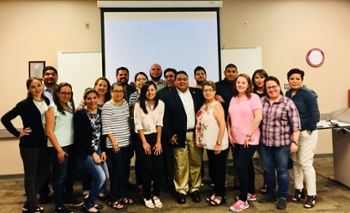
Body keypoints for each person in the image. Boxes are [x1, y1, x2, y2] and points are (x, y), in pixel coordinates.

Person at [1, 77, 50, 213]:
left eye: (39, 85)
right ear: (28, 89)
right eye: (33, 87)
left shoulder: (46, 101)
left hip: (44, 142)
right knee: (30, 175)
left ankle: (28, 202)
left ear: (42, 86)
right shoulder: (25, 104)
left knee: (45, 172)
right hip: (29, 145)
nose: (37, 89)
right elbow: (5, 118)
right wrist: (17, 133)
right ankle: (33, 207)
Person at [258, 76, 301, 210]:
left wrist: (294, 142)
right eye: (268, 87)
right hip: (265, 143)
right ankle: (271, 193)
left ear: (279, 86)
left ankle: (282, 196)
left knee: (282, 171)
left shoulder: (288, 103)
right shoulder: (262, 101)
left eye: (274, 86)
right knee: (268, 170)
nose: (271, 89)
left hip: (282, 144)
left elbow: (296, 125)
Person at [162, 71, 205, 204]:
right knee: (180, 164)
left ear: (188, 80)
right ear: (174, 81)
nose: (182, 81)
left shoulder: (197, 93)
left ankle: (195, 188)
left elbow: (210, 100)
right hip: (177, 136)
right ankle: (181, 190)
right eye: (179, 79)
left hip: (195, 134)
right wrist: (169, 135)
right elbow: (164, 118)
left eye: (184, 79)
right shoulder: (167, 96)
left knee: (196, 162)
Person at [227, 74, 262, 212]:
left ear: (248, 84)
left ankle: (243, 200)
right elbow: (230, 117)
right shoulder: (234, 98)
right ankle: (251, 192)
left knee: (241, 166)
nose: (240, 84)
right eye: (238, 82)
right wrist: (229, 132)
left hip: (250, 139)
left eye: (243, 82)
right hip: (236, 139)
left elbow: (258, 118)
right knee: (247, 165)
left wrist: (249, 134)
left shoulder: (254, 98)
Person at [286, 68, 320, 208]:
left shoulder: (308, 94)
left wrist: (308, 130)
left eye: (297, 79)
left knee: (306, 164)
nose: (294, 81)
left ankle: (312, 195)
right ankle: (299, 190)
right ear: (288, 80)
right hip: (293, 134)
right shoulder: (288, 93)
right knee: (296, 163)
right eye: (292, 79)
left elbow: (315, 115)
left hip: (306, 133)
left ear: (302, 80)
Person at [74, 88, 109, 213]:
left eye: (95, 98)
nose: (92, 101)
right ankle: (88, 204)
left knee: (106, 177)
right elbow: (81, 137)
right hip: (84, 152)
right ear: (85, 100)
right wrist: (93, 153)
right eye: (89, 98)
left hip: (98, 149)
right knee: (100, 177)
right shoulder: (80, 114)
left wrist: (103, 151)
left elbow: (103, 134)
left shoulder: (100, 112)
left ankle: (90, 201)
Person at [195, 81, 229, 206]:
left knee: (219, 171)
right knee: (214, 170)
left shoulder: (217, 105)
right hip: (208, 144)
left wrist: (218, 143)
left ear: (215, 92)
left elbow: (222, 125)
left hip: (217, 143)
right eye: (205, 90)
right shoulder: (204, 104)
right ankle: (216, 192)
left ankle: (221, 195)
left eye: (210, 90)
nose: (207, 92)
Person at [45, 82, 76, 213]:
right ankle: (58, 205)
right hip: (58, 147)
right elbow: (49, 132)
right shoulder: (52, 108)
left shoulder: (69, 105)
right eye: (63, 93)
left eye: (68, 93)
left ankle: (68, 197)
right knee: (60, 177)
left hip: (70, 145)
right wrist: (59, 150)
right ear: (57, 94)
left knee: (70, 174)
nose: (66, 95)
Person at [102, 82, 134, 210]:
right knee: (118, 171)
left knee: (125, 171)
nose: (118, 93)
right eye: (116, 91)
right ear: (111, 92)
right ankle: (113, 198)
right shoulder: (107, 106)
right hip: (115, 145)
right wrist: (114, 142)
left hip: (127, 143)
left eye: (121, 91)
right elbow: (106, 127)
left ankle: (122, 195)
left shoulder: (125, 104)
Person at [134, 81, 165, 208]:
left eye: (152, 90)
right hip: (142, 138)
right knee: (147, 168)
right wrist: (144, 142)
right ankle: (146, 196)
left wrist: (158, 142)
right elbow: (138, 124)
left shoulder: (161, 104)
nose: (150, 92)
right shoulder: (138, 105)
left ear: (156, 90)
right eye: (147, 90)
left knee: (159, 168)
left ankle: (156, 194)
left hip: (156, 137)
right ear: (143, 92)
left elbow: (159, 123)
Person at [215, 63, 240, 189]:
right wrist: (215, 96)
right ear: (224, 73)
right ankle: (221, 183)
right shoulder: (217, 86)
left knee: (238, 157)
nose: (231, 73)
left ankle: (238, 183)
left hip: (237, 127)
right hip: (222, 127)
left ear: (237, 72)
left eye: (233, 71)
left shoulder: (241, 86)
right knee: (222, 158)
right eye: (228, 71)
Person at [38, 66, 58, 203]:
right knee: (43, 167)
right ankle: (43, 193)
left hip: (60, 135)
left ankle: (60, 192)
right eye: (47, 74)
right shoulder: (38, 92)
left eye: (52, 74)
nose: (50, 76)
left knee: (59, 166)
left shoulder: (62, 91)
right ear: (43, 77)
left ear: (57, 76)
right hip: (42, 135)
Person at [128, 72, 148, 195]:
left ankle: (149, 183)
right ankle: (140, 183)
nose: (141, 81)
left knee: (148, 160)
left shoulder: (151, 93)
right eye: (138, 79)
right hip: (136, 130)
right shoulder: (133, 96)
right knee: (140, 159)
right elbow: (132, 112)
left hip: (150, 131)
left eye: (143, 79)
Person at [158, 68, 177, 192]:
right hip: (166, 132)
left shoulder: (181, 92)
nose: (169, 79)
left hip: (180, 131)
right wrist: (168, 134)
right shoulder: (160, 94)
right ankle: (170, 182)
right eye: (167, 76)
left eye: (172, 76)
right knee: (168, 160)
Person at [251, 69, 269, 194]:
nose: (259, 80)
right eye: (256, 77)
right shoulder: (251, 94)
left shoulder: (271, 92)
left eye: (262, 77)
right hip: (253, 130)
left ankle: (267, 182)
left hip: (267, 131)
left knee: (265, 160)